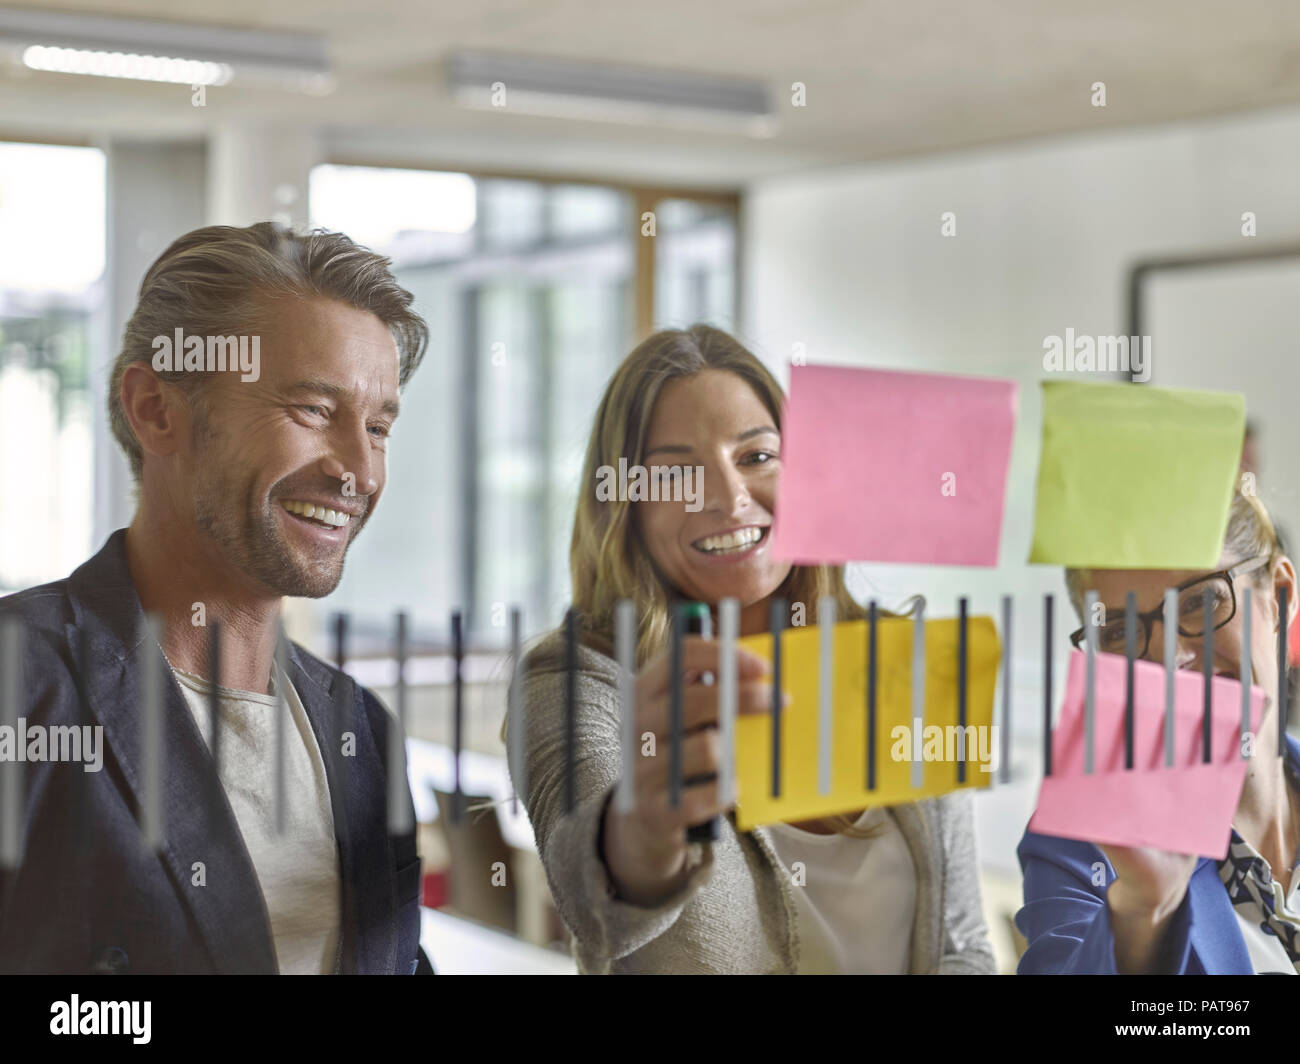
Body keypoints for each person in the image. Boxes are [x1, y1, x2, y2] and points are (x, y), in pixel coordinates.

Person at [0, 223, 429, 974]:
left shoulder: (361, 730)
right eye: (313, 411)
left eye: (379, 426)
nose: (359, 470)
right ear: (156, 409)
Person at [508, 324, 994, 974]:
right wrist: (647, 831)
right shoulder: (575, 681)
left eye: (757, 456)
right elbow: (591, 892)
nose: (731, 498)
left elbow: (961, 946)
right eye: (679, 472)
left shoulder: (903, 665)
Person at [1016, 488, 1300, 974]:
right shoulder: (1079, 845)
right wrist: (1141, 914)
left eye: (1201, 601)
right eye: (1121, 633)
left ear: (1278, 597)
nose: (1172, 662)